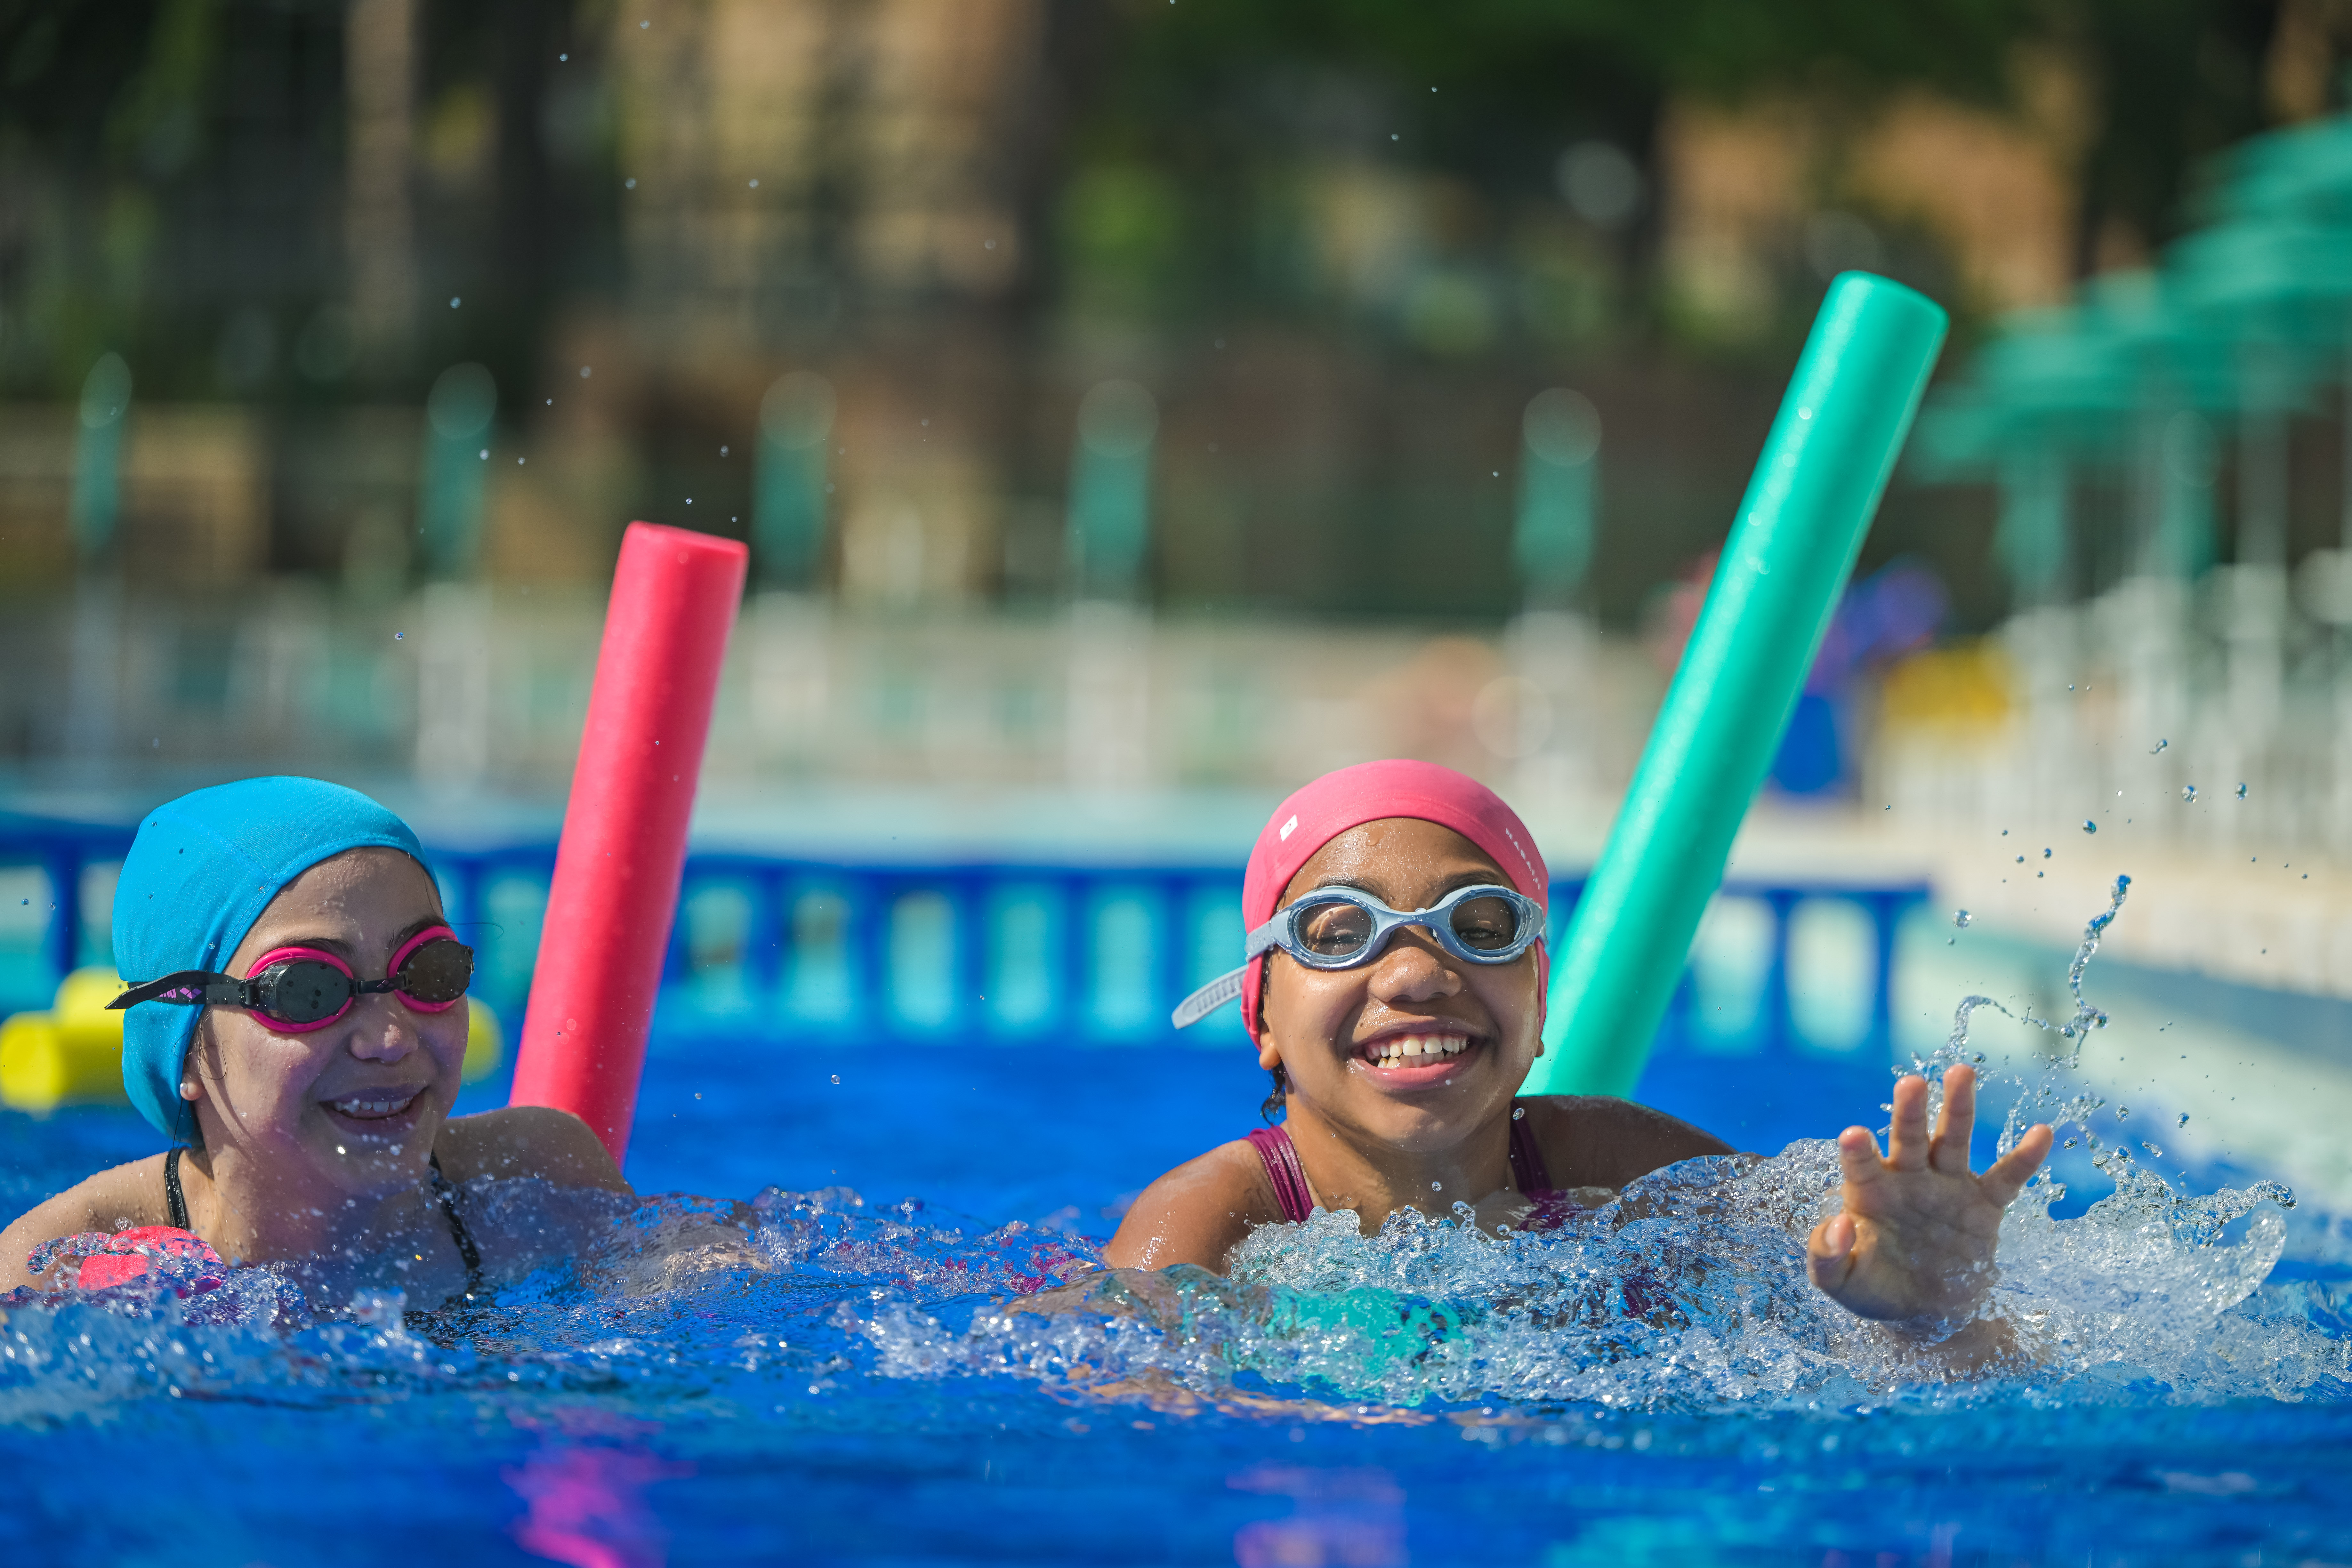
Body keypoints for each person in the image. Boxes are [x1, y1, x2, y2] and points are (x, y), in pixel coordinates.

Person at [1101, 759, 2053, 1346]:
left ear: (1540, 998)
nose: (1414, 975)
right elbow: (1105, 1404)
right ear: (1262, 1015)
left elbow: (1855, 1287)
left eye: (1479, 924)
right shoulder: (1213, 1219)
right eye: (1337, 931)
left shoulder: (1613, 1162)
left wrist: (1926, 1311)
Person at [0, 777, 632, 1307]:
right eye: (305, 989)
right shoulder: (55, 1275)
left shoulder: (538, 1179)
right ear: (186, 1044)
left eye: (429, 970)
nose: (388, 1038)